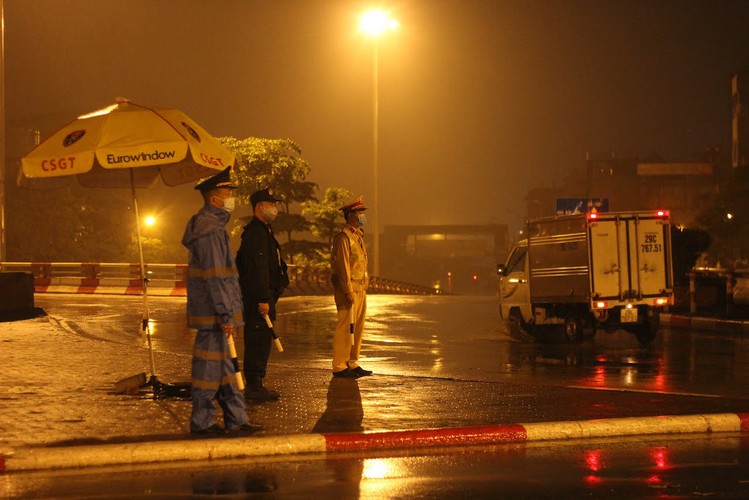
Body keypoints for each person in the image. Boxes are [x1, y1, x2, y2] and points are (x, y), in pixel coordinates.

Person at [182, 166, 261, 434]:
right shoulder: (209, 231)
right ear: (214, 199)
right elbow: (216, 277)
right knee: (207, 370)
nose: (231, 198)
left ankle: (237, 420)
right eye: (227, 192)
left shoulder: (214, 227)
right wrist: (226, 315)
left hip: (220, 313)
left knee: (229, 369)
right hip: (214, 315)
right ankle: (202, 423)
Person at [236, 188, 289, 401]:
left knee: (262, 340)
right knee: (257, 340)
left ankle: (257, 383)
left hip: (265, 296)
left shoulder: (265, 231)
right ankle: (254, 385)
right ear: (259, 207)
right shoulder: (255, 234)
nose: (274, 208)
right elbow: (256, 268)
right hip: (258, 299)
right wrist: (262, 298)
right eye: (271, 204)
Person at [329, 195, 373, 378]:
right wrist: (347, 290)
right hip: (349, 289)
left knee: (358, 327)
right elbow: (343, 267)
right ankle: (340, 365)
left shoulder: (358, 236)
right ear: (350, 215)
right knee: (346, 327)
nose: (363, 215)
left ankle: (352, 361)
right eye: (359, 211)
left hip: (360, 288)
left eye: (363, 211)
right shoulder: (343, 237)